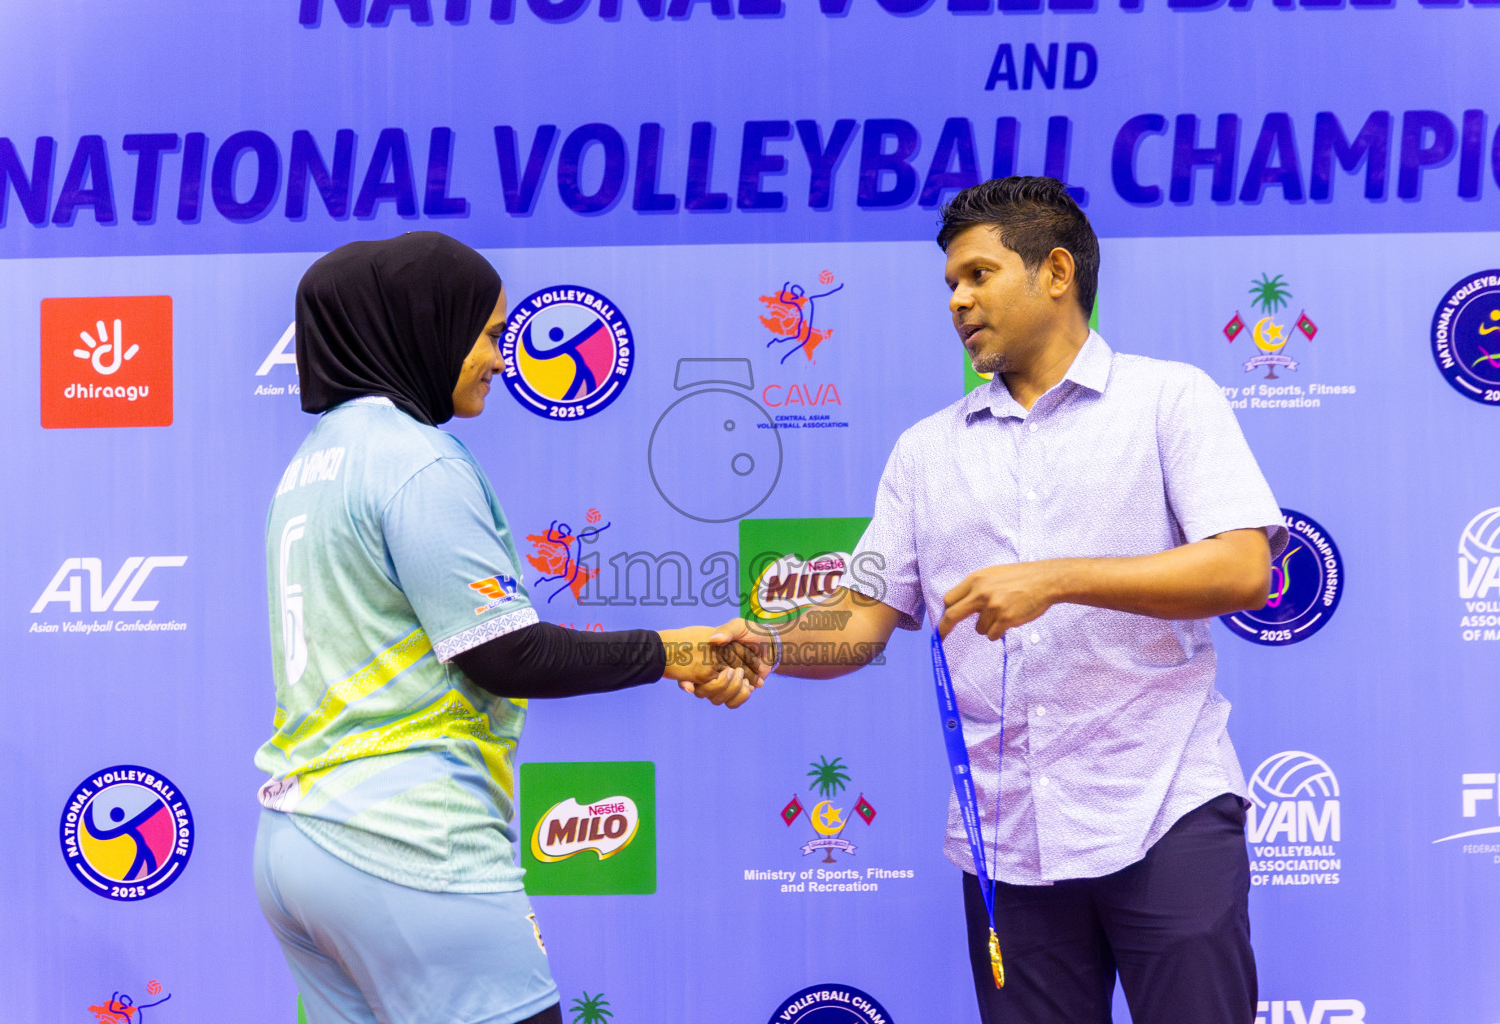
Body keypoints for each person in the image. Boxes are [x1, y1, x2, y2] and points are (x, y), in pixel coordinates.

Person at [761, 178, 1284, 1024]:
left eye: (977, 274)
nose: (959, 301)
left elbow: (1241, 569)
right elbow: (859, 625)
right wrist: (767, 646)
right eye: (950, 287)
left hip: (1166, 813)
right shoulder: (925, 452)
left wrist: (1056, 577)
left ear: (1056, 272)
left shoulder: (1169, 399)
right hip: (1005, 839)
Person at [252, 232, 764, 1024]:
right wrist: (677, 650)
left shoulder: (313, 463)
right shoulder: (417, 460)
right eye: (489, 333)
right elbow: (505, 652)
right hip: (408, 844)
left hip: (295, 844)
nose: (503, 358)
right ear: (425, 323)